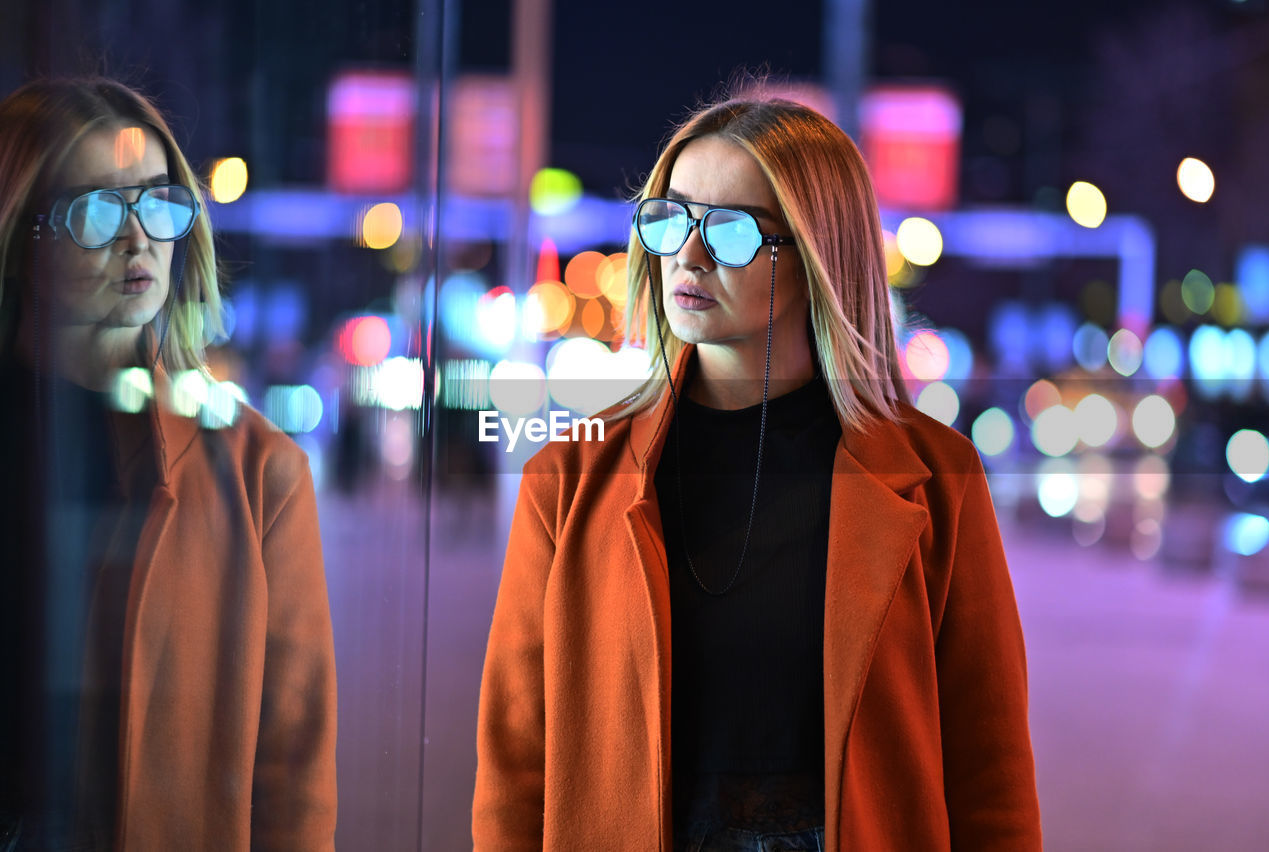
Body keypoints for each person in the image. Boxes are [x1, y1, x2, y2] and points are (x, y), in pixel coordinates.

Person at [473, 92, 1041, 850]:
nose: (690, 254)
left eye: (732, 230)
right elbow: (517, 761)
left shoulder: (937, 478)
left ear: (815, 256)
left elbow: (988, 765)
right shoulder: (570, 480)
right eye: (672, 218)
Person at [0, 77, 336, 849]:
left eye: (158, 201)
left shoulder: (258, 469)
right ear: (19, 234)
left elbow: (294, 765)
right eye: (94, 210)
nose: (139, 238)